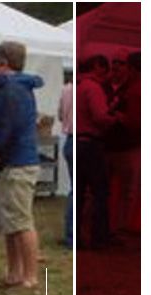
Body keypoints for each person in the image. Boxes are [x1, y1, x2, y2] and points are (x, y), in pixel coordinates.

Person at [0, 41, 43, 288]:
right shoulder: (14, 87)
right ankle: (14, 271)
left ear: (3, 62)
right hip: (12, 161)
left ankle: (30, 274)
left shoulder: (12, 89)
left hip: (17, 162)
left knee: (20, 221)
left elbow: (9, 125)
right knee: (9, 223)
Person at [76, 55, 117, 249]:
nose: (107, 74)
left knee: (78, 192)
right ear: (97, 67)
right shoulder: (93, 88)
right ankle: (99, 237)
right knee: (100, 191)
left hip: (76, 141)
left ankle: (76, 236)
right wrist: (115, 119)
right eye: (105, 69)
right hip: (90, 143)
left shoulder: (76, 87)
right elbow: (100, 117)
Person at [106, 51, 140, 239]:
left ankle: (118, 228)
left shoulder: (134, 90)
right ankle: (116, 227)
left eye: (122, 64)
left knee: (125, 191)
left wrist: (116, 115)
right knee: (123, 190)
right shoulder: (127, 88)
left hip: (127, 146)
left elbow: (134, 122)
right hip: (118, 146)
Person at [58, 75, 73, 249]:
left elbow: (60, 116)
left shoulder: (66, 89)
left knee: (74, 190)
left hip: (70, 140)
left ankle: (70, 233)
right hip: (82, 139)